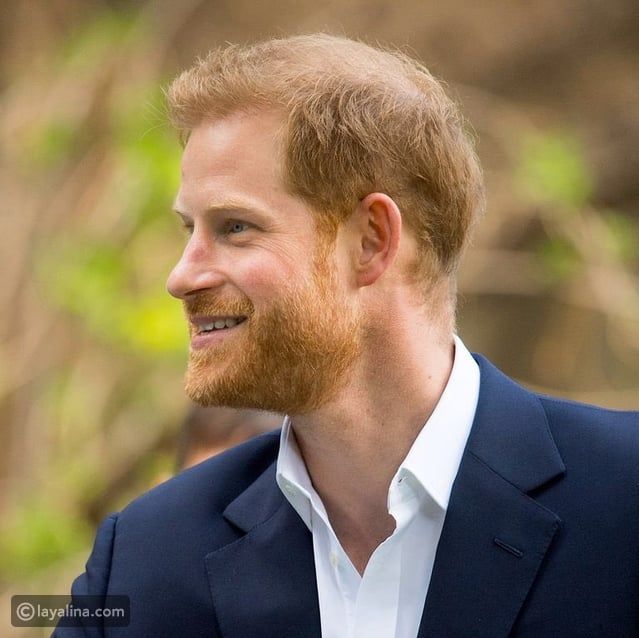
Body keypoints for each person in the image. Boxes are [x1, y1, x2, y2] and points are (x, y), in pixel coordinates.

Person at [54, 34, 639, 637]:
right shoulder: (144, 559)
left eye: (234, 227)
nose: (181, 277)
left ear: (371, 240)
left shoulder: (626, 497)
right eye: (189, 229)